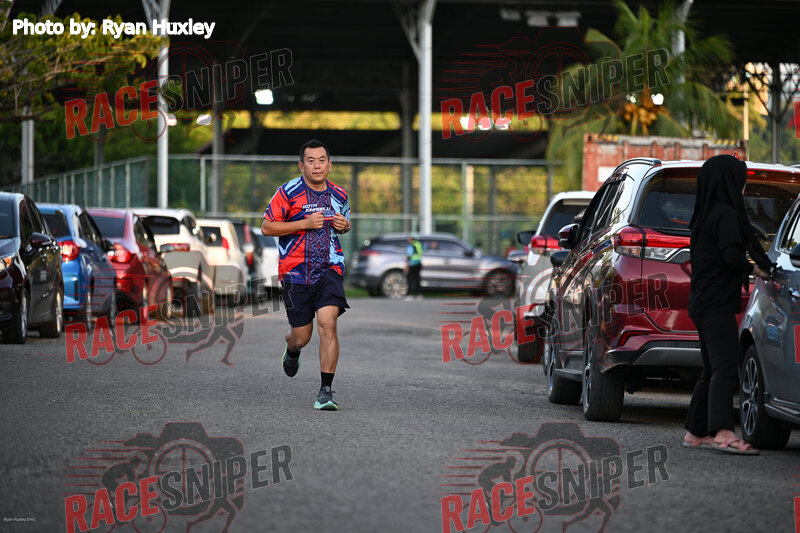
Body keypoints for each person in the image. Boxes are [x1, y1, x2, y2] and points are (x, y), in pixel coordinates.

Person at [682, 154, 773, 454]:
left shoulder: (706, 214)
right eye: (741, 180)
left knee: (711, 369)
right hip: (716, 302)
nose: (743, 186)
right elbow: (732, 256)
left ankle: (696, 432)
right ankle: (722, 432)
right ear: (729, 182)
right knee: (724, 367)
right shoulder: (726, 215)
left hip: (701, 301)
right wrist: (756, 269)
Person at [261, 140, 351, 410]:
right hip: (295, 272)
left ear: (329, 164)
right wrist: (304, 223)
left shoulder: (340, 195)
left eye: (322, 160)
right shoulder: (287, 192)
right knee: (302, 337)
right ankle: (292, 347)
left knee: (328, 323)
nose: (317, 166)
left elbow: (344, 224)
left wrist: (345, 225)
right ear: (302, 166)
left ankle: (326, 392)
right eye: (311, 161)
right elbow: (267, 227)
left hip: (329, 268)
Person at [404, 235, 423, 300]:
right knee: (417, 279)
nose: (408, 241)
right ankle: (419, 294)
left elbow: (409, 255)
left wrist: (407, 265)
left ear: (412, 239)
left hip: (412, 264)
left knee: (409, 279)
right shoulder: (418, 244)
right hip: (418, 263)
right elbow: (421, 252)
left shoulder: (411, 246)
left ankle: (409, 295)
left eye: (409, 239)